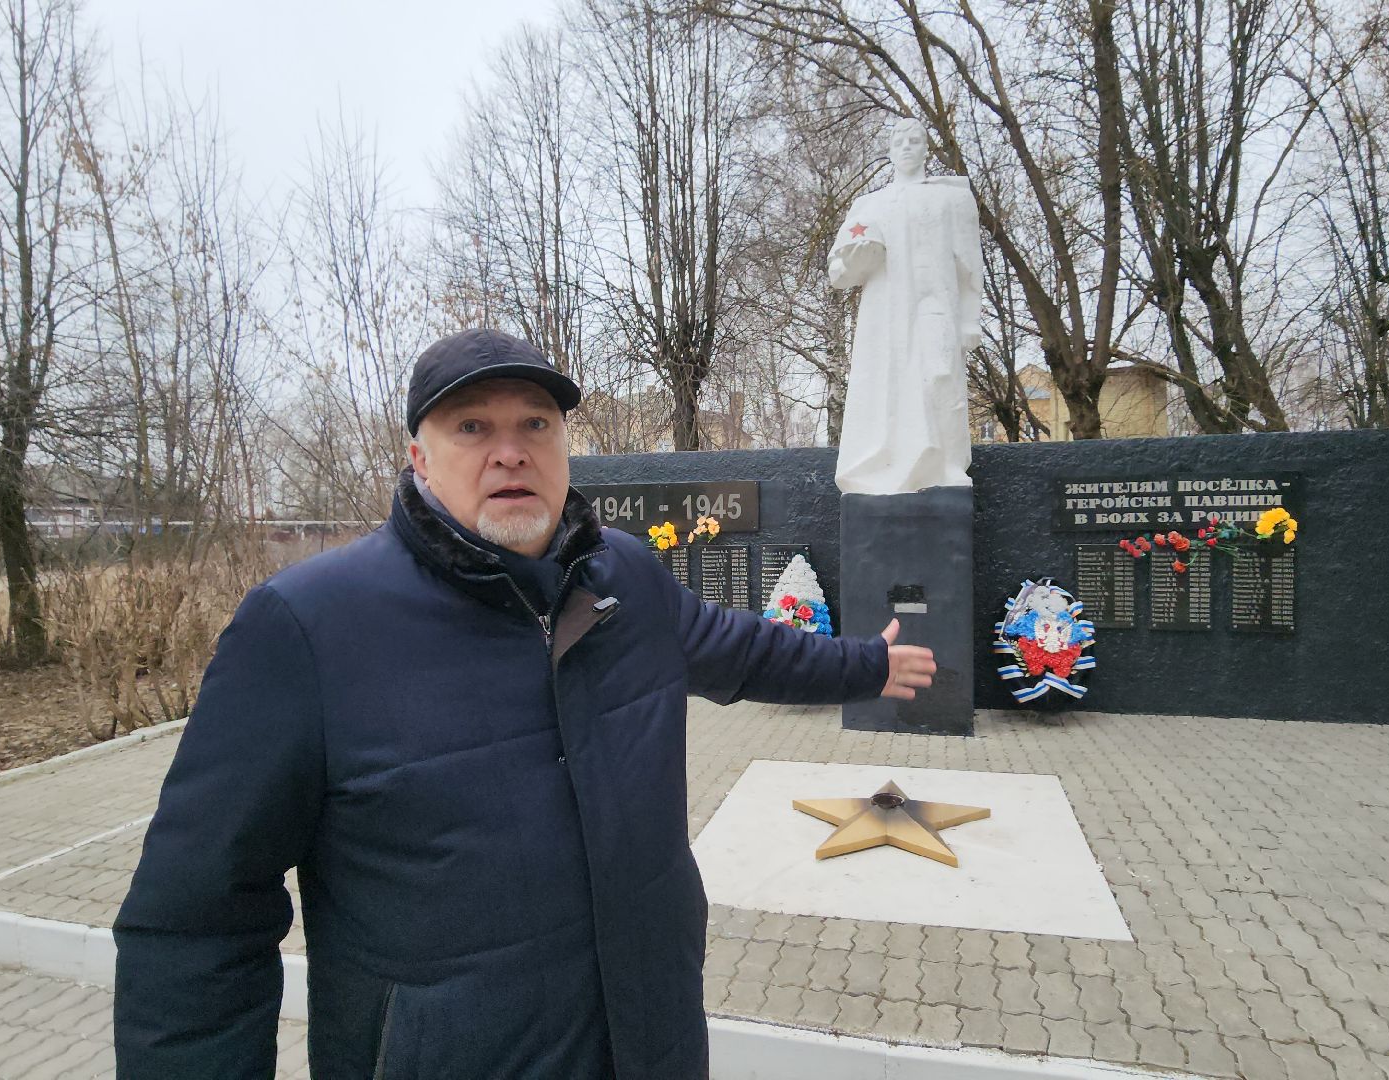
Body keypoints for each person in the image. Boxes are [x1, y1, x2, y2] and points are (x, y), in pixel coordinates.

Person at [112, 328, 937, 1079]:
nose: (510, 451)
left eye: (535, 424)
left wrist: (868, 665)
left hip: (652, 1041)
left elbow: (745, 651)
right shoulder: (307, 628)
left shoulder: (626, 577)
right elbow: (196, 925)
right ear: (418, 457)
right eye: (472, 427)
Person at [829, 117, 986, 496]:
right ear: (890, 151)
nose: (907, 148)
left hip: (935, 303)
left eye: (915, 141)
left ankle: (945, 465)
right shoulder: (869, 205)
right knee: (888, 388)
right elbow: (838, 270)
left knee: (940, 377)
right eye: (900, 142)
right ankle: (884, 466)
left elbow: (970, 266)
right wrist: (860, 256)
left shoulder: (950, 197)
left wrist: (970, 319)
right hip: (885, 315)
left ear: (926, 148)